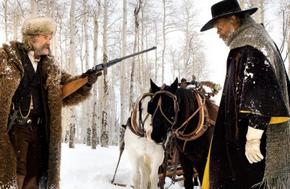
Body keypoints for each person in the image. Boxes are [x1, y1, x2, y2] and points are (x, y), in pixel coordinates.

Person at [0, 17, 101, 189]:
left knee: (35, 174)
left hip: (40, 131)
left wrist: (87, 81)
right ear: (32, 38)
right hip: (16, 129)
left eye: (50, 37)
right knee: (15, 174)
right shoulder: (8, 60)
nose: (49, 41)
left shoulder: (50, 66)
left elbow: (66, 89)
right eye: (45, 37)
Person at [200, 0, 290, 188]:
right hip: (245, 138)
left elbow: (262, 90)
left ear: (234, 19)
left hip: (249, 145)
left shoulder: (249, 45)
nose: (218, 32)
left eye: (219, 25)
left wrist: (254, 137)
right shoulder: (255, 39)